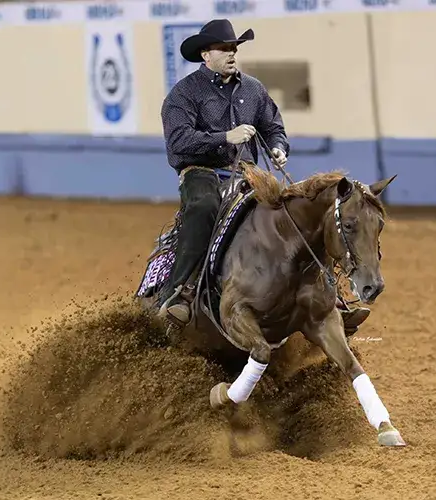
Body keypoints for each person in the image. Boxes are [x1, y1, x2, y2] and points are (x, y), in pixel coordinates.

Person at [157, 18, 372, 335]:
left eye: (234, 48)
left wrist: (278, 147)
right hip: (201, 172)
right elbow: (178, 141)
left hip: (249, 175)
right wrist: (224, 137)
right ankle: (183, 292)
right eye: (224, 48)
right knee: (203, 208)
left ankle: (330, 297)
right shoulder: (184, 93)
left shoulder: (253, 89)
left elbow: (274, 127)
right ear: (206, 55)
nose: (232, 53)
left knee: (293, 215)